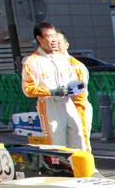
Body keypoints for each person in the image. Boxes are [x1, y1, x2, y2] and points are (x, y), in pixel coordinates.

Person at [20, 22, 90, 151]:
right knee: (57, 143)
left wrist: (76, 87)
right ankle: (62, 169)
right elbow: (28, 89)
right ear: (39, 39)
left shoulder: (63, 59)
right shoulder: (32, 62)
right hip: (49, 105)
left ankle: (82, 170)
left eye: (54, 36)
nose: (53, 40)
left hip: (68, 102)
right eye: (48, 36)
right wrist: (51, 92)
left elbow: (73, 80)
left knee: (79, 138)